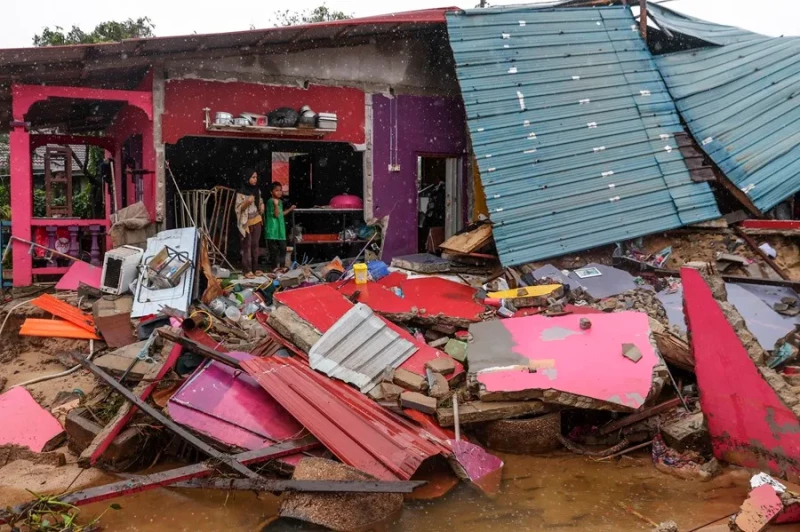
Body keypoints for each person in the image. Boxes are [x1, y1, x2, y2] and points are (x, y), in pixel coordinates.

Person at [234, 169, 265, 279]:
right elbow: (237, 209)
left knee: (255, 246)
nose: (255, 179)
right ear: (247, 178)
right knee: (246, 246)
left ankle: (255, 268)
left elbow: (260, 201)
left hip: (256, 220)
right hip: (245, 223)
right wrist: (247, 203)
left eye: (256, 177)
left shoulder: (257, 190)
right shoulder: (241, 192)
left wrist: (262, 205)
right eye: (252, 177)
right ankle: (247, 270)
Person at [265, 182, 295, 271]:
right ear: (271, 192)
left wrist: (290, 209)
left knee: (283, 249)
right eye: (276, 190)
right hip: (272, 230)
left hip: (280, 229)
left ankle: (282, 267)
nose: (279, 192)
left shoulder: (280, 202)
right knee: (274, 251)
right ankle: (274, 268)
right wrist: (275, 205)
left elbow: (281, 214)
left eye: (280, 190)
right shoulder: (270, 201)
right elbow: (277, 214)